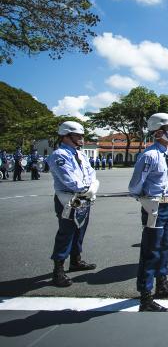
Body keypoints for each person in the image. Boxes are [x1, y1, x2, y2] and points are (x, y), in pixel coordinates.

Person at [128, 113, 168, 312]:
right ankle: (145, 296)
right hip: (154, 206)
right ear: (159, 131)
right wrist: (146, 200)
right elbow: (135, 185)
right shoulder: (149, 155)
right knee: (151, 249)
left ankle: (162, 283)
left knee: (165, 245)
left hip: (167, 204)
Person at [48, 121, 99, 287]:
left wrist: (93, 185)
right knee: (66, 233)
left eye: (82, 135)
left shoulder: (81, 154)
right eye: (77, 135)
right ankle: (58, 270)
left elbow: (91, 172)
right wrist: (87, 188)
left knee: (80, 230)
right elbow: (69, 180)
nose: (81, 139)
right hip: (69, 198)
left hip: (84, 197)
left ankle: (76, 260)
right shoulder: (59, 155)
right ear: (65, 136)